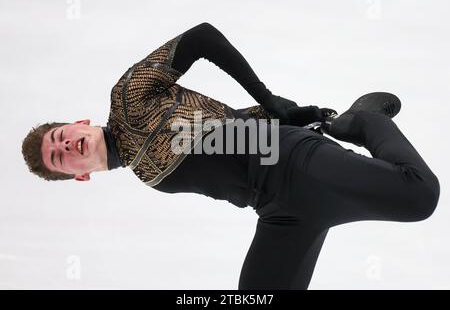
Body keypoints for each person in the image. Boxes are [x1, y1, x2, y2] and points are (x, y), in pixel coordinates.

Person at [22, 22, 440, 289]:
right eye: (59, 157)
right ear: (78, 176)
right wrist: (288, 116)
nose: (65, 146)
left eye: (59, 136)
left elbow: (203, 37)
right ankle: (333, 126)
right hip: (280, 212)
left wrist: (269, 99)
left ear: (76, 123)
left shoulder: (128, 100)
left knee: (419, 196)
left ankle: (361, 120)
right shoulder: (142, 173)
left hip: (290, 162)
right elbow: (224, 129)